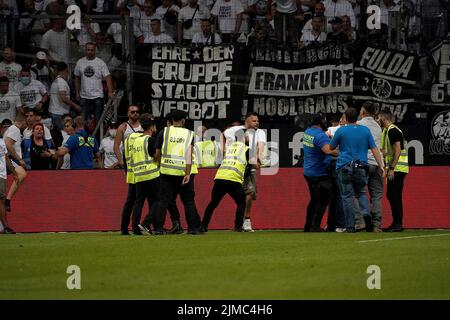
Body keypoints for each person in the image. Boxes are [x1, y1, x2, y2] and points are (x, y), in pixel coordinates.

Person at [329, 107, 385, 233]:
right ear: (357, 117)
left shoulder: (342, 131)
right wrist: (381, 165)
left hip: (344, 166)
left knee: (347, 196)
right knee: (361, 192)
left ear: (345, 118)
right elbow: (374, 149)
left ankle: (350, 226)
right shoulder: (365, 130)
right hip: (361, 166)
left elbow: (331, 147)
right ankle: (366, 213)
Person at [154, 110, 202, 235]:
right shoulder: (189, 134)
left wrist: (159, 164)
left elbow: (157, 152)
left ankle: (159, 228)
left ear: (171, 120)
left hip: (166, 171)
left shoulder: (164, 131)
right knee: (188, 200)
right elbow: (188, 155)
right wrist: (187, 173)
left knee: (163, 200)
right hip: (182, 171)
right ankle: (193, 229)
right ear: (183, 120)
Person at [201, 129, 257, 232]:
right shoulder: (246, 149)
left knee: (213, 203)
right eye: (247, 136)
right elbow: (256, 165)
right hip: (233, 179)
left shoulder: (230, 147)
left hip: (220, 177)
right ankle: (238, 226)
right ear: (243, 137)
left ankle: (203, 226)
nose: (248, 138)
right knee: (241, 202)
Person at [223, 112, 266, 232]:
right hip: (235, 167)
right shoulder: (235, 130)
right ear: (247, 122)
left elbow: (260, 147)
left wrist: (260, 159)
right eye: (254, 121)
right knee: (227, 195)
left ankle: (247, 220)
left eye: (257, 121)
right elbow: (223, 135)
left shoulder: (260, 132)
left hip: (250, 167)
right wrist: (224, 153)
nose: (257, 123)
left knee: (250, 194)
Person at [303, 115, 339, 232]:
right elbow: (329, 150)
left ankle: (308, 226)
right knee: (323, 201)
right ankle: (315, 226)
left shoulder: (308, 132)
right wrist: (345, 150)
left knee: (314, 200)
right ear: (320, 123)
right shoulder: (320, 136)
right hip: (320, 173)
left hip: (309, 172)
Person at [126, 114, 160, 235]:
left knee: (138, 202)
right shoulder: (150, 140)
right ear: (151, 128)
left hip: (138, 175)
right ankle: (145, 224)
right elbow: (155, 156)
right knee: (158, 200)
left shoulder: (135, 141)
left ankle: (135, 228)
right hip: (151, 174)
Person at [355, 102, 384, 232]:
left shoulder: (359, 125)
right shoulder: (378, 126)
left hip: (363, 163)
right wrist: (381, 165)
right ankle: (376, 225)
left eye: (361, 109)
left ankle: (362, 219)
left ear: (364, 111)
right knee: (376, 196)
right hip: (377, 164)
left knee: (359, 192)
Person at [378, 109, 409, 232]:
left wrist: (391, 168)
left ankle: (397, 224)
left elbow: (398, 150)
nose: (377, 120)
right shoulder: (387, 131)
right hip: (397, 168)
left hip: (397, 169)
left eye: (378, 118)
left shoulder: (393, 131)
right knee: (393, 195)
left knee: (393, 195)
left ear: (383, 118)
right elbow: (391, 150)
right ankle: (397, 223)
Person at [74, 42, 114, 124]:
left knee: (98, 120)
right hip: (84, 96)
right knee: (83, 120)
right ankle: (83, 136)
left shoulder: (100, 63)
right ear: (85, 50)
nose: (90, 52)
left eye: (92, 50)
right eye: (88, 50)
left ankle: (97, 136)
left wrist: (110, 91)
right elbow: (77, 77)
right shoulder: (80, 62)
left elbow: (108, 77)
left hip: (97, 96)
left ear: (95, 51)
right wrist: (77, 92)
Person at [3, 117, 28, 213]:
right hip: (5, 158)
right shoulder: (15, 129)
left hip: (6, 158)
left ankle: (7, 200)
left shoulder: (11, 130)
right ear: (23, 122)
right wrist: (19, 159)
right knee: (21, 174)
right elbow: (8, 145)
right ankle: (7, 200)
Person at [49, 62, 80, 131]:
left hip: (55, 112)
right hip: (59, 113)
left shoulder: (56, 81)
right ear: (66, 70)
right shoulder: (61, 82)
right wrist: (75, 106)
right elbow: (63, 98)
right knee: (64, 133)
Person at [0, 133, 19, 234]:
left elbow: (6, 158)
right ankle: (5, 227)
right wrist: (14, 172)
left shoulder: (2, 142)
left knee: (1, 201)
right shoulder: (1, 142)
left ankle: (4, 227)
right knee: (1, 201)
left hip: (2, 174)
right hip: (0, 175)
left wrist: (14, 172)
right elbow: (6, 158)